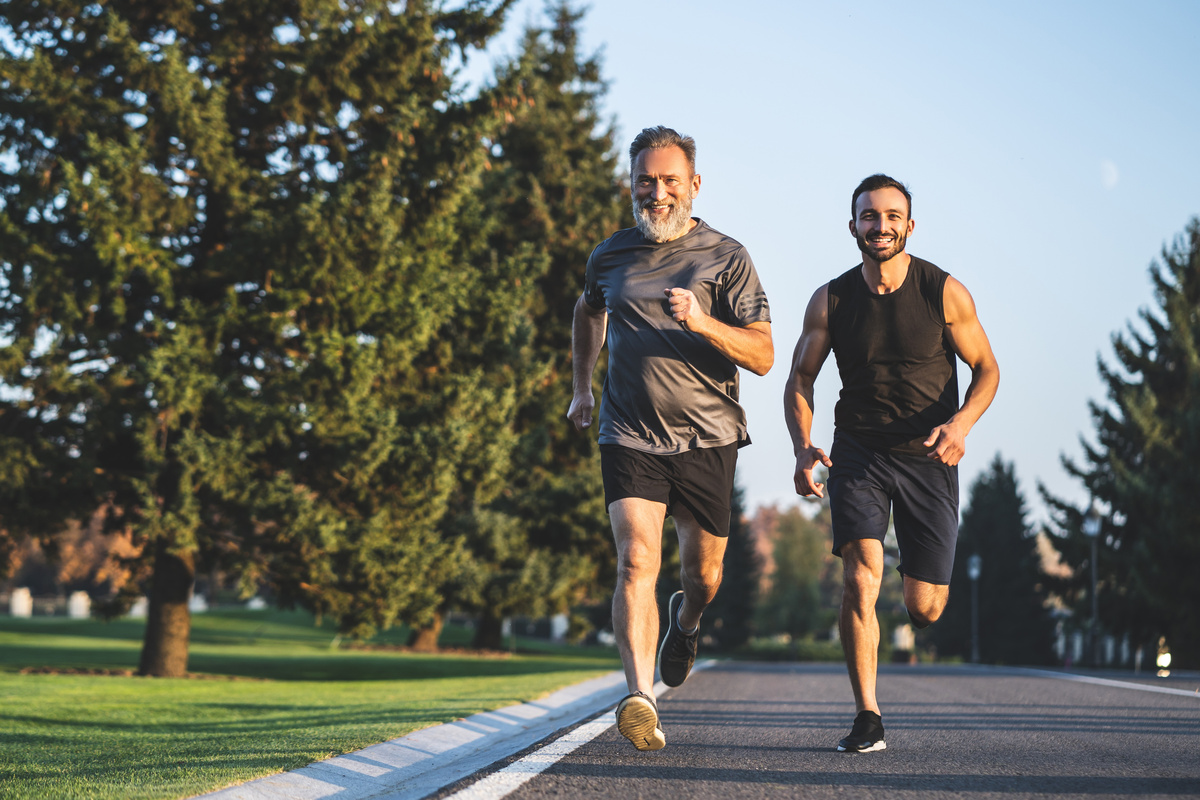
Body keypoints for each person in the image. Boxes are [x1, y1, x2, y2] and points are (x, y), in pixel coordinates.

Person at [568, 125, 773, 751]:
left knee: (703, 573)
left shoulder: (727, 256)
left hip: (709, 437)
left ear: (694, 185)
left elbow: (763, 355)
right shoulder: (609, 255)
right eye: (645, 181)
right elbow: (588, 311)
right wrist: (582, 386)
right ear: (631, 185)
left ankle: (685, 622)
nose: (657, 193)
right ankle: (639, 696)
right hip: (629, 432)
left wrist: (703, 321)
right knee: (635, 560)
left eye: (669, 181)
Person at [783, 174, 999, 753]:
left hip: (929, 454)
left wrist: (960, 425)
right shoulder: (831, 299)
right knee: (859, 575)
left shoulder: (944, 292)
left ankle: (914, 579)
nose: (880, 226)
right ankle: (867, 716)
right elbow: (800, 378)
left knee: (925, 608)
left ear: (909, 224)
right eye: (869, 216)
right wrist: (805, 447)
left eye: (891, 216)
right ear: (852, 225)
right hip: (858, 451)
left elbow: (988, 370)